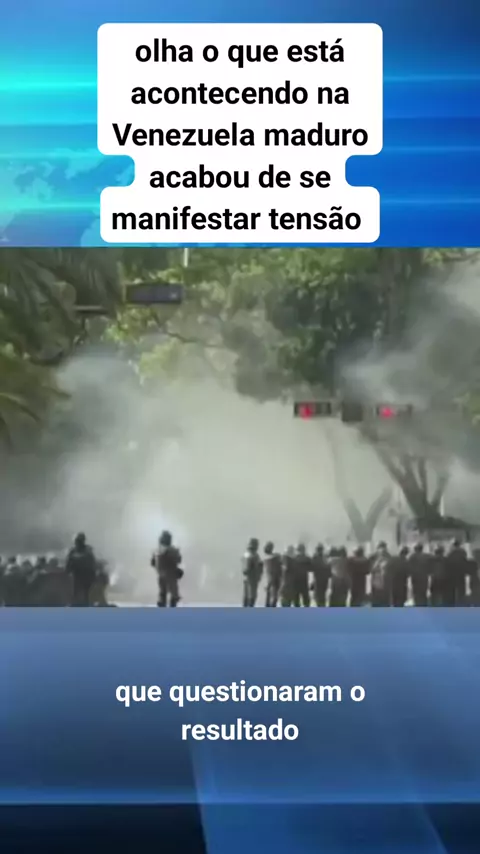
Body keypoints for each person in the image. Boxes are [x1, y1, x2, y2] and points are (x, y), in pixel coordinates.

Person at [151, 530, 183, 607]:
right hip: (171, 574)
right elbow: (179, 560)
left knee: (163, 592)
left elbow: (153, 563)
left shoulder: (157, 551)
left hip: (162, 574)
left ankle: (163, 602)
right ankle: (172, 601)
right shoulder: (173, 550)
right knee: (173, 591)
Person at [66, 533, 97, 606]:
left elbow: (91, 563)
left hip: (86, 576)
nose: (77, 542)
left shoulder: (87, 551)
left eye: (79, 541)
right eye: (77, 541)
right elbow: (69, 563)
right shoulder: (73, 551)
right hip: (77, 576)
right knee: (76, 593)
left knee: (86, 594)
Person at [408, 542, 431, 607]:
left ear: (415, 549)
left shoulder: (412, 557)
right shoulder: (427, 556)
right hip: (424, 578)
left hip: (415, 578)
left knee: (416, 594)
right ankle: (424, 606)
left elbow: (409, 568)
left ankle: (418, 607)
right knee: (423, 594)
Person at [241, 537, 262, 607]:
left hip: (246, 578)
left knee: (246, 595)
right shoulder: (255, 556)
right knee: (252, 596)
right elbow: (258, 566)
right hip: (252, 578)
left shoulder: (245, 554)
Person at [370, 542, 391, 606]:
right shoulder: (373, 557)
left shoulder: (388, 557)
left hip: (384, 581)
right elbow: (371, 569)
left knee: (384, 599)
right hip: (377, 580)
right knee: (377, 598)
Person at [292, 543, 311, 607]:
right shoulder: (307, 559)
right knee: (306, 599)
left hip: (295, 580)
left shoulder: (294, 559)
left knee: (296, 600)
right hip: (304, 580)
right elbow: (311, 568)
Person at [263, 542, 282, 607]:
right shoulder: (276, 557)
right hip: (275, 579)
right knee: (274, 597)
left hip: (270, 579)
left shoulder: (266, 559)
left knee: (269, 597)